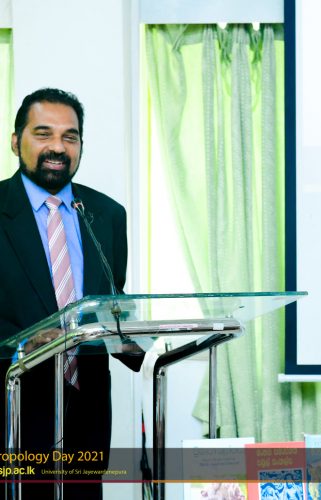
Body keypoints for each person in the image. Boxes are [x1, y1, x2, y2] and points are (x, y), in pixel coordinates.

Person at [0, 88, 142, 499]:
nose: (58, 147)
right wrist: (23, 344)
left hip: (86, 416)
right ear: (16, 141)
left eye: (70, 136)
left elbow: (111, 300)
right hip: (13, 413)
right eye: (43, 133)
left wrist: (137, 340)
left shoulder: (107, 214)